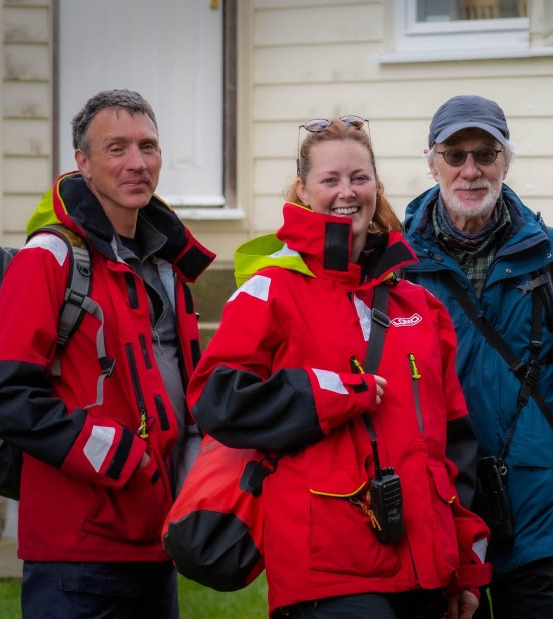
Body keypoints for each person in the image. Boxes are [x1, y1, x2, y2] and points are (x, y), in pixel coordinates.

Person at [186, 115, 491, 618]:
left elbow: (453, 445)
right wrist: (329, 392)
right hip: (328, 571)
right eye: (330, 180)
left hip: (427, 566)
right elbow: (217, 400)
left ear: (377, 186)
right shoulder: (270, 292)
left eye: (359, 178)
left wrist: (465, 563)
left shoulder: (421, 305)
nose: (346, 192)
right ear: (303, 191)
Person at [0, 89, 215, 618]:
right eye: (117, 148)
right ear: (82, 163)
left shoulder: (167, 268)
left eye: (148, 146)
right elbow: (7, 397)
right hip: (76, 556)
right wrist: (120, 455)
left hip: (155, 541)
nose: (137, 163)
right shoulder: (49, 258)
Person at [403, 95, 553, 619]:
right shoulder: (399, 261)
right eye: (454, 154)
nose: (470, 170)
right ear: (430, 160)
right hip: (440, 510)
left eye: (486, 153)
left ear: (506, 159)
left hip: (542, 515)